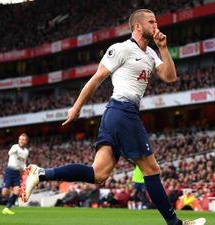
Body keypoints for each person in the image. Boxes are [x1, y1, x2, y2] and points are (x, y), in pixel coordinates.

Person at [20, 9, 205, 225]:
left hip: (118, 114)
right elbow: (96, 78)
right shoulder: (121, 49)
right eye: (151, 22)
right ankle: (175, 224)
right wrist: (77, 108)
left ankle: (40, 173)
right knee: (152, 169)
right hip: (122, 111)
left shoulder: (151, 54)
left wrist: (163, 48)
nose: (156, 25)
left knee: (99, 173)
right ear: (138, 26)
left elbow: (170, 77)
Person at [2, 133, 29, 215]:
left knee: (17, 192)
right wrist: (13, 151)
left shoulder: (26, 152)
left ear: (26, 141)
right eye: (20, 139)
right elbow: (9, 153)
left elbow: (23, 163)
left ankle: (7, 208)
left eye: (23, 139)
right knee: (4, 193)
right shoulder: (15, 146)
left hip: (17, 172)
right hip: (10, 171)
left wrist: (26, 169)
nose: (21, 141)